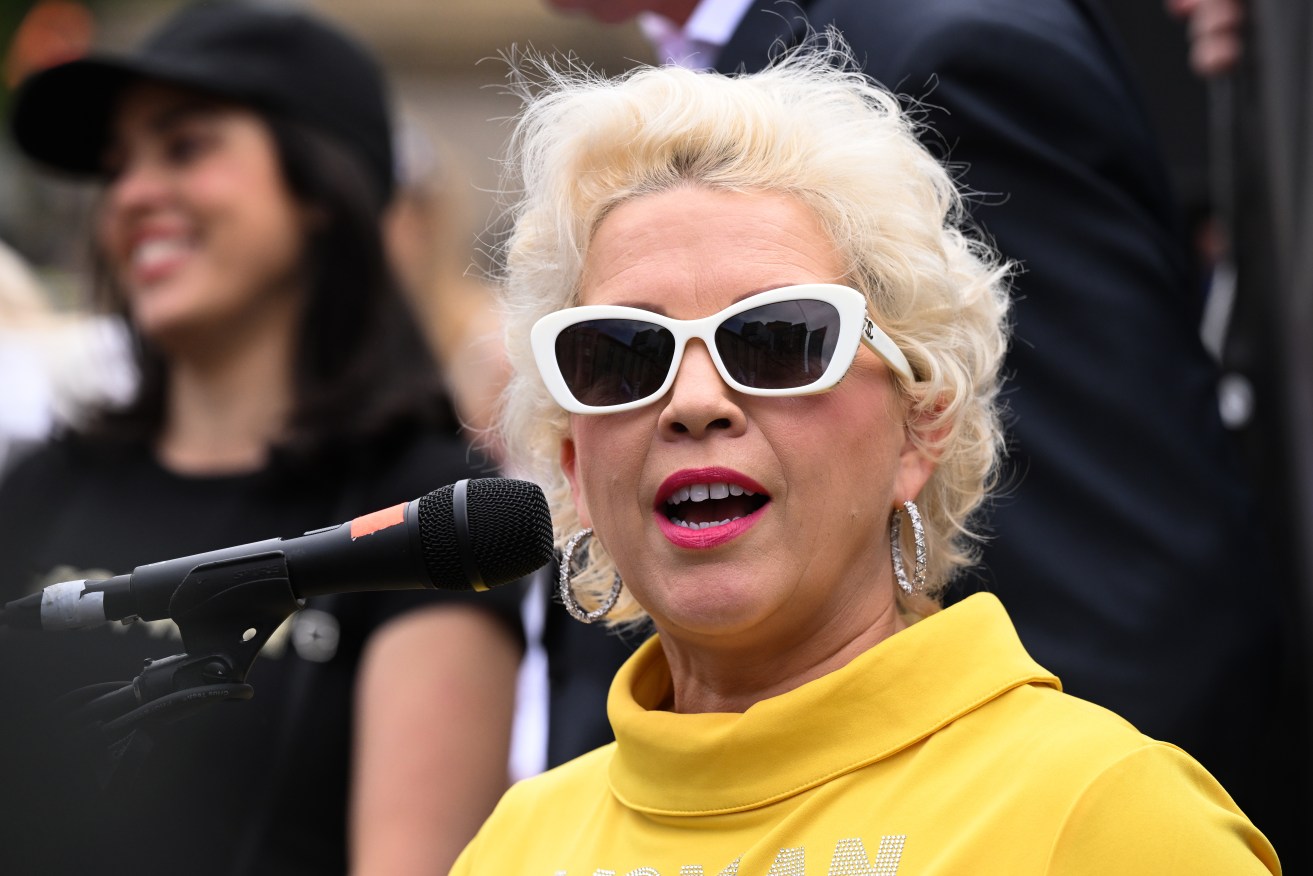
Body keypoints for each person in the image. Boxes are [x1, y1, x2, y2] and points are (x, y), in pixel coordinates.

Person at [450, 38, 1279, 874]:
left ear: (921, 425)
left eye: (777, 340)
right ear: (569, 460)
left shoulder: (1106, 817)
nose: (695, 403)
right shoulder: (515, 846)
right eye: (622, 354)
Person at [0, 4, 523, 874]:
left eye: (186, 147)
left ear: (320, 187)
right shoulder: (41, 489)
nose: (131, 195)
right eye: (117, 165)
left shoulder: (424, 515)